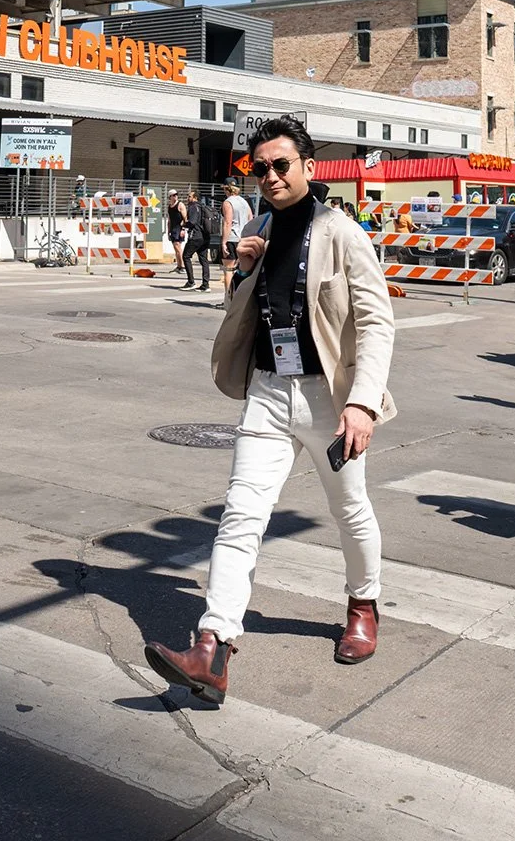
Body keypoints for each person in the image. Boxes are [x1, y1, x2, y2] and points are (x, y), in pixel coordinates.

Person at [144, 116, 394, 705]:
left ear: (310, 168)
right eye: (262, 168)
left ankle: (364, 602)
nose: (272, 176)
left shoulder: (341, 231)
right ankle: (213, 645)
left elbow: (378, 321)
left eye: (283, 165)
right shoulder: (254, 227)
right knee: (240, 514)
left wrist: (361, 404)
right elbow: (238, 313)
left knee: (349, 508)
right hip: (267, 390)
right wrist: (244, 269)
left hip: (329, 396)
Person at [222, 182, 252, 299]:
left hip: (232, 237)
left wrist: (224, 242)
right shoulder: (244, 202)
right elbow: (250, 218)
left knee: (228, 270)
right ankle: (239, 297)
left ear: (227, 189)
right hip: (242, 237)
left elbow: (228, 222)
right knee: (240, 270)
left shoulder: (228, 202)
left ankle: (229, 298)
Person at [181, 189, 212, 291]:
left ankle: (191, 282)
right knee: (204, 260)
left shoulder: (193, 207)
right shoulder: (202, 207)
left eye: (189, 196)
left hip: (196, 236)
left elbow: (192, 222)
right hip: (205, 237)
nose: (187, 198)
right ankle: (205, 285)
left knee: (186, 256)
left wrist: (184, 224)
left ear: (195, 198)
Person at [165, 190, 188, 279]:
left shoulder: (180, 205)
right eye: (173, 195)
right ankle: (179, 266)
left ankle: (182, 266)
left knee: (178, 247)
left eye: (176, 195)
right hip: (173, 228)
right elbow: (170, 220)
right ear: (170, 197)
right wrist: (168, 231)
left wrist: (183, 229)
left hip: (179, 228)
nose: (175, 196)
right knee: (176, 248)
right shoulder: (170, 206)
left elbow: (185, 218)